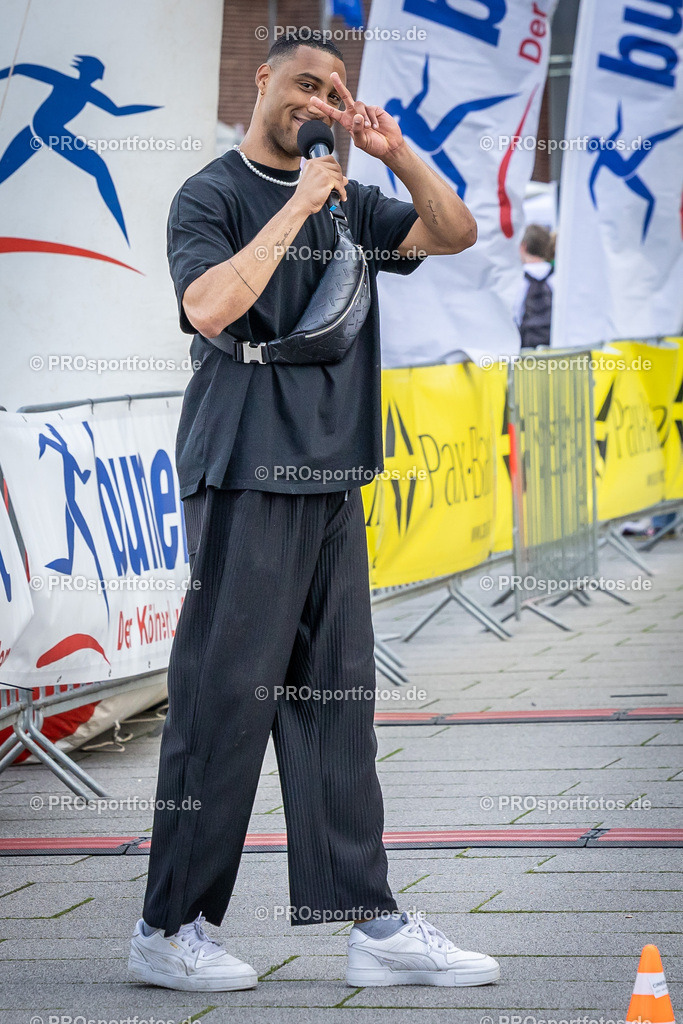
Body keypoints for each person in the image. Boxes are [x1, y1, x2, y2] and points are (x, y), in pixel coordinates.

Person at [128, 31, 499, 993]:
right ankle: (168, 928)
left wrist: (395, 153)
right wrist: (297, 204)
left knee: (339, 713)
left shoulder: (352, 199)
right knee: (222, 705)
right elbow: (210, 308)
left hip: (332, 480)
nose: (317, 100)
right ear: (261, 82)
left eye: (332, 90)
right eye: (303, 82)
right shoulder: (212, 194)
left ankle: (369, 922)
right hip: (246, 474)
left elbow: (455, 232)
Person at [515, 223, 554, 348]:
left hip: (527, 355)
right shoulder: (557, 276)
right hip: (558, 352)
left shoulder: (517, 280)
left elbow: (513, 317)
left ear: (523, 247)